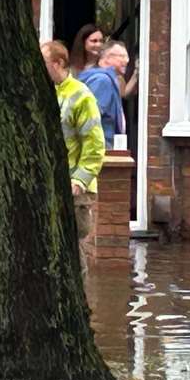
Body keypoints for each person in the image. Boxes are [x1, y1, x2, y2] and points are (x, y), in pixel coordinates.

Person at [41, 41, 106, 273]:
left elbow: (95, 145)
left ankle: (80, 297)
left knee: (73, 246)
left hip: (73, 186)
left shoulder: (81, 96)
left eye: (44, 62)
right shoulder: (45, 92)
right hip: (52, 182)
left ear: (58, 63)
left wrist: (80, 180)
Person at [80, 40, 128, 148]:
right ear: (105, 59)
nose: (126, 60)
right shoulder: (102, 81)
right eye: (121, 56)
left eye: (126, 56)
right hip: (100, 148)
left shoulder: (108, 80)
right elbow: (91, 116)